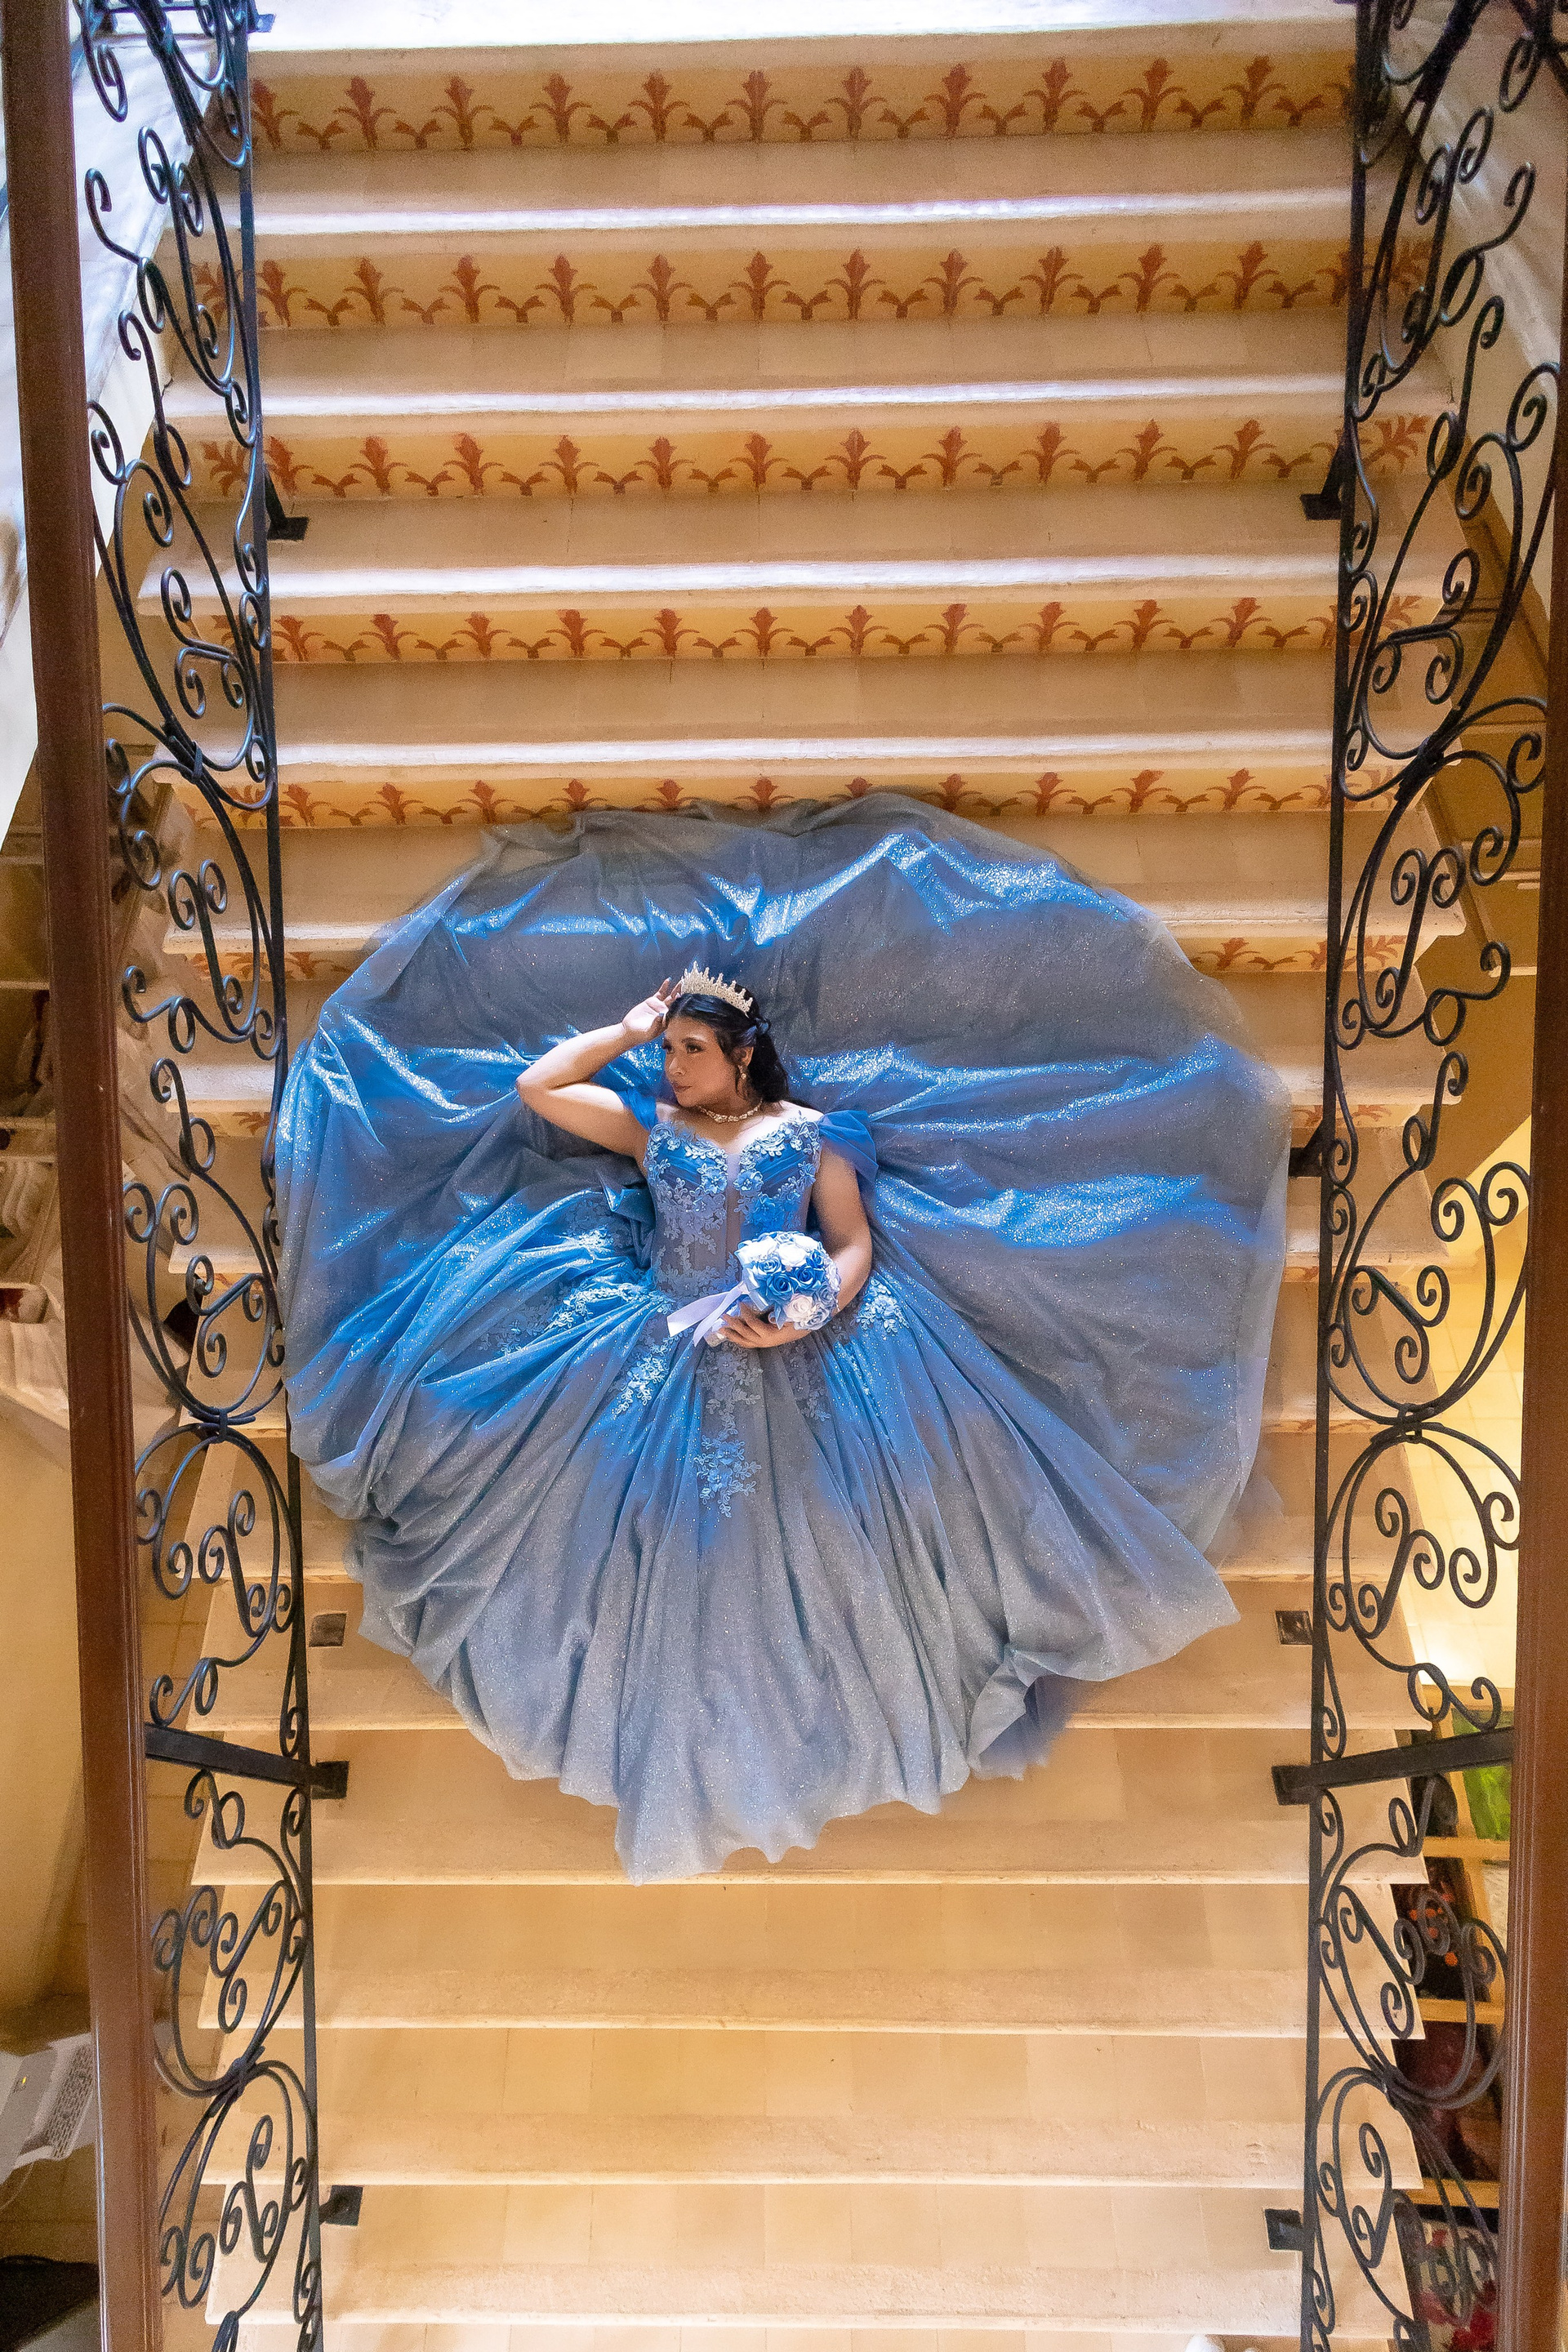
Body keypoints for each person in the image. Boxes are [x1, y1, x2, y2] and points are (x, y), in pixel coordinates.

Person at [279, 799, 1290, 1882]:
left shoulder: (814, 1138)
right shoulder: (653, 1128)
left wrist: (810, 1309)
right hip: (663, 1336)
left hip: (807, 1345)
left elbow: (851, 1245)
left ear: (744, 1055)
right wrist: (628, 1031)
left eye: (690, 1050)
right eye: (671, 1050)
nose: (674, 1067)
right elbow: (539, 1086)